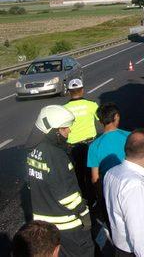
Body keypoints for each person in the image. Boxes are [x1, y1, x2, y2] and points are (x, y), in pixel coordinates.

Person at [27, 105, 93, 257]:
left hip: (43, 226)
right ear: (54, 131)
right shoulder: (57, 156)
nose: (69, 131)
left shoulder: (33, 150)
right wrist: (84, 213)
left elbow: (32, 183)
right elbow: (67, 195)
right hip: (67, 226)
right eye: (65, 128)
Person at [103, 129, 144, 256]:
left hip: (123, 247)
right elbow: (138, 231)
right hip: (140, 251)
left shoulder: (111, 172)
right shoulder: (135, 185)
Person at [63, 79, 99, 203]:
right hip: (90, 145)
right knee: (91, 172)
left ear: (69, 92)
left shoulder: (64, 109)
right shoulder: (91, 105)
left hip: (72, 147)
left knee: (78, 174)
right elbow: (102, 119)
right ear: (82, 90)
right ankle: (94, 198)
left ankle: (83, 198)